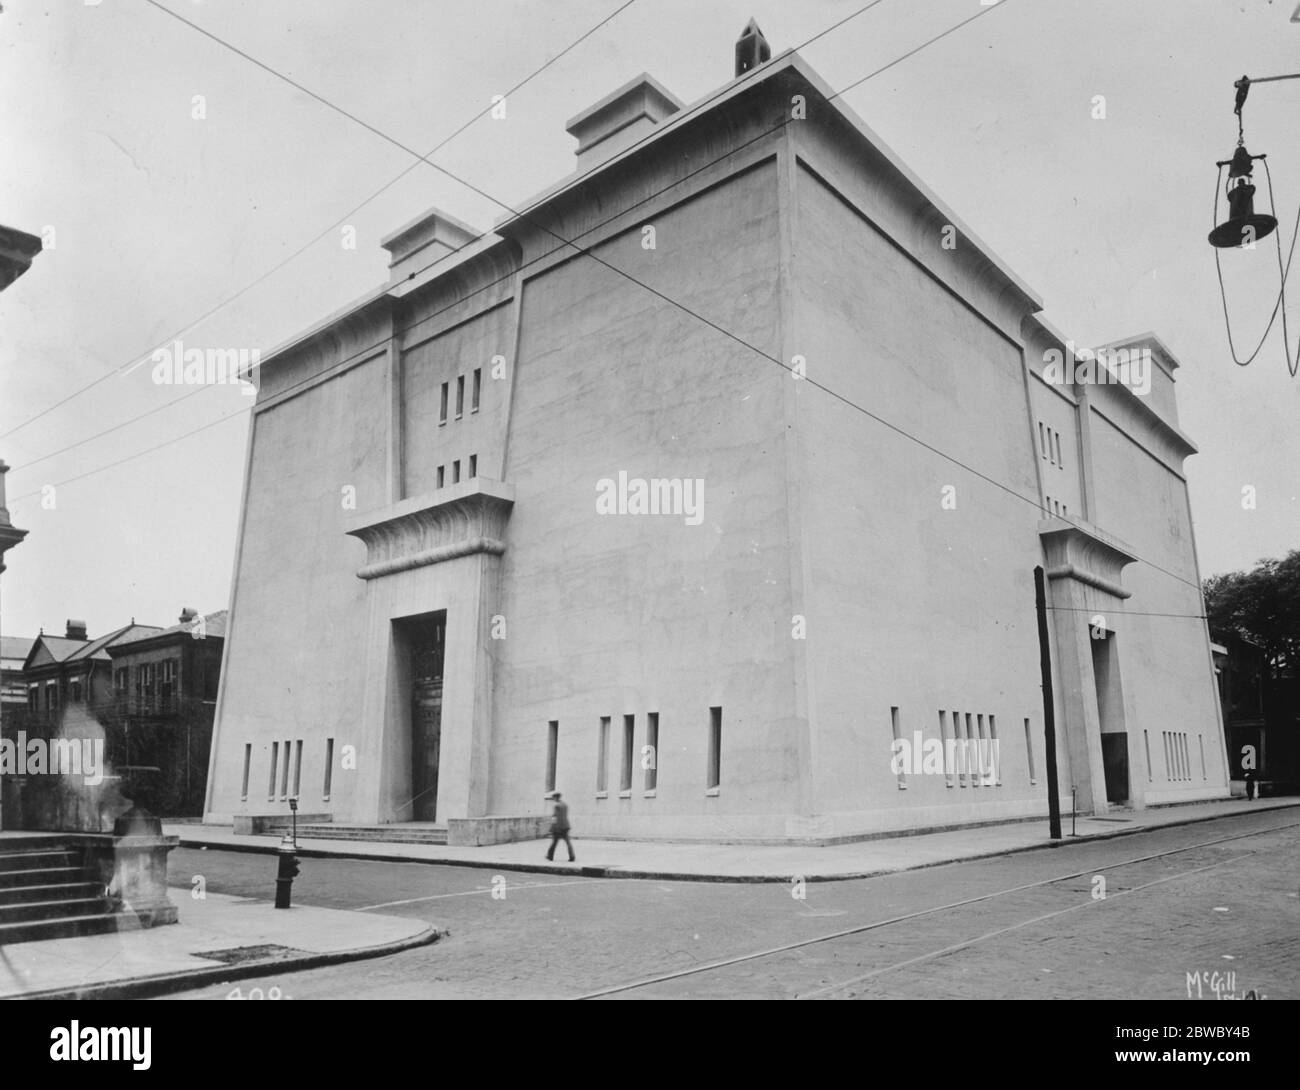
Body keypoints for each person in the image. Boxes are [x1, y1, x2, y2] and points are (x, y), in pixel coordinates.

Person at [545, 791, 575, 862]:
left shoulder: (557, 806)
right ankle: (572, 856)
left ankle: (550, 856)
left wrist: (552, 828)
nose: (553, 799)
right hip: (566, 826)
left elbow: (555, 817)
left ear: (556, 798)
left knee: (554, 842)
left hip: (558, 827)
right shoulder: (565, 805)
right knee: (568, 842)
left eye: (553, 798)